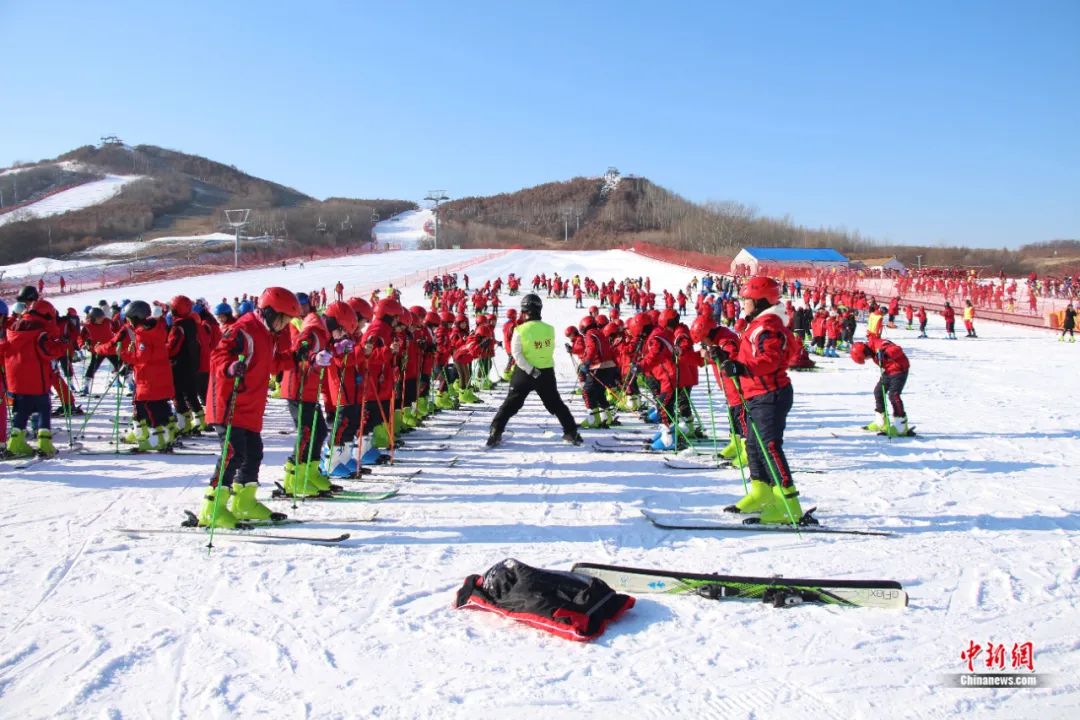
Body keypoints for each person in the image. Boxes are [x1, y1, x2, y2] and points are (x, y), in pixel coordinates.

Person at [194, 287, 300, 528]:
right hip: (229, 402)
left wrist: (296, 357)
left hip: (250, 405)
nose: (285, 326)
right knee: (233, 454)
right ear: (271, 312)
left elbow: (272, 364)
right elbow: (218, 356)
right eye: (283, 320)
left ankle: (244, 503)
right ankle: (212, 508)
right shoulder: (242, 330)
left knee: (254, 453)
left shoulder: (266, 334)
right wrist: (230, 367)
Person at [717, 276, 805, 525]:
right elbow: (750, 356)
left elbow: (771, 359)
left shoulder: (767, 327)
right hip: (757, 394)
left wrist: (742, 369)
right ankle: (762, 492)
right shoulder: (758, 325)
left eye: (746, 299)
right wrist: (727, 358)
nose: (742, 303)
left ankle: (789, 505)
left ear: (760, 301)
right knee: (753, 447)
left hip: (770, 394)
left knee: (769, 447)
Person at [487, 294, 580, 447]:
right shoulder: (549, 329)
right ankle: (571, 432)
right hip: (545, 373)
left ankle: (495, 431)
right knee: (556, 404)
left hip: (525, 372)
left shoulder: (520, 330)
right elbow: (547, 350)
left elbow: (516, 354)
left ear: (524, 311)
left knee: (510, 404)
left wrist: (530, 370)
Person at [850, 336, 912, 436]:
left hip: (899, 369)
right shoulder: (871, 350)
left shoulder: (879, 345)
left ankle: (901, 426)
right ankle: (881, 422)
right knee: (878, 392)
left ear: (865, 351)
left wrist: (885, 353)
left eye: (865, 357)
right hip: (888, 371)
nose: (867, 359)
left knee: (894, 395)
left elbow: (897, 349)